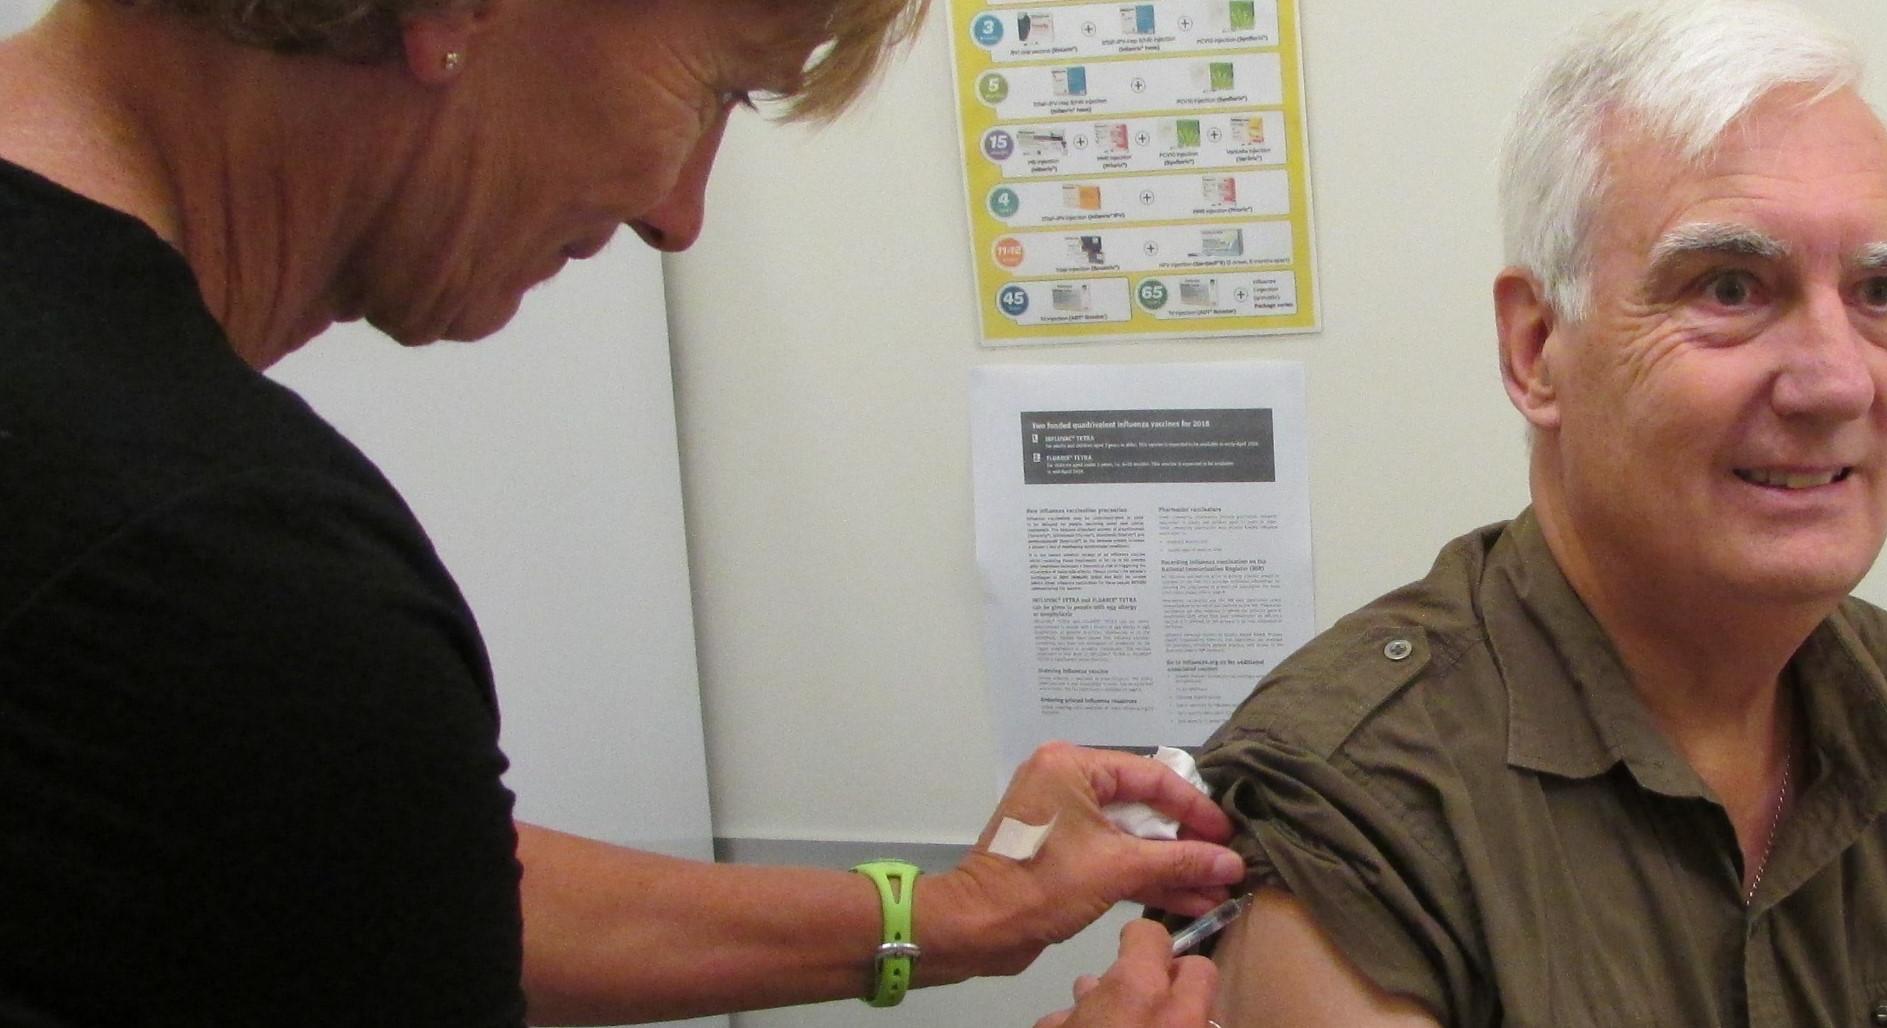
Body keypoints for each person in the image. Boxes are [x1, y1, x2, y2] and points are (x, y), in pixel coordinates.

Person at [0, 0, 1238, 1024]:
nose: (678, 212)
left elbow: (363, 881)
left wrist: (965, 911)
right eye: (717, 90)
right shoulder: (211, 570)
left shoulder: (150, 587)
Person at [1184, 2, 1887, 1025]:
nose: (1834, 382)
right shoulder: (1360, 802)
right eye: (1730, 286)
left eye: (1878, 291)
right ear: (1535, 349)